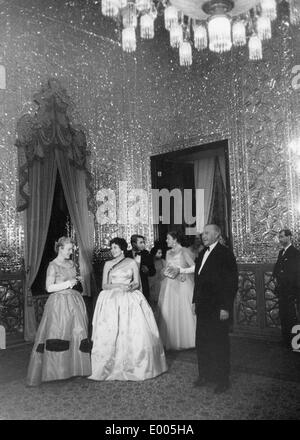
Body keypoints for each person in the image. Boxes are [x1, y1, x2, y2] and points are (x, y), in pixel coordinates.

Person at [88, 237, 167, 381]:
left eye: (115, 248)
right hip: (111, 298)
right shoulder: (108, 264)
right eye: (111, 248)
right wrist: (119, 286)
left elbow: (137, 282)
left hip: (129, 297)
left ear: (122, 249)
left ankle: (135, 364)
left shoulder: (131, 263)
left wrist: (131, 286)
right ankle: (108, 364)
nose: (112, 250)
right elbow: (104, 285)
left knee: (134, 330)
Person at [176, 224, 238, 394]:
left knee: (219, 343)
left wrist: (225, 307)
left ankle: (222, 380)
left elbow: (231, 283)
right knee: (202, 342)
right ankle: (205, 375)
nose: (203, 235)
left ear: (217, 234)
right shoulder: (202, 252)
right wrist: (195, 301)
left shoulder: (225, 254)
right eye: (203, 233)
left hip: (218, 307)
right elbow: (199, 281)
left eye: (208, 232)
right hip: (203, 306)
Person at [27, 237, 91, 386]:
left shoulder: (71, 263)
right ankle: (58, 370)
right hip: (59, 304)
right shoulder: (53, 266)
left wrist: (76, 280)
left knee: (77, 333)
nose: (71, 251)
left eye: (71, 249)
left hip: (74, 302)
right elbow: (49, 288)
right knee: (60, 333)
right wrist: (68, 283)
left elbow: (72, 280)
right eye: (69, 249)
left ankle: (75, 368)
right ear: (60, 249)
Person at [157, 231, 196, 350]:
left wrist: (182, 271)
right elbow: (168, 267)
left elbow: (194, 267)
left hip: (183, 284)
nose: (166, 241)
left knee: (184, 310)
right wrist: (165, 271)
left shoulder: (184, 251)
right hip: (169, 284)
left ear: (175, 240)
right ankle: (171, 339)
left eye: (168, 239)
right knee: (169, 310)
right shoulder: (168, 252)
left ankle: (187, 339)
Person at [272, 229, 300, 348]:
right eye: (280, 237)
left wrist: (292, 290)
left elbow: (295, 273)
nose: (280, 239)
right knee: (284, 315)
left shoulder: (295, 253)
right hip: (282, 290)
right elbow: (277, 268)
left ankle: (296, 343)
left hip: (291, 291)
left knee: (293, 317)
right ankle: (286, 340)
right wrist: (275, 277)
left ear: (289, 237)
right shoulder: (281, 252)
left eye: (283, 237)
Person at [126, 234, 156, 302]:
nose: (143, 244)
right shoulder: (126, 255)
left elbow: (153, 271)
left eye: (144, 242)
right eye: (141, 242)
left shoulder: (147, 254)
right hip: (129, 286)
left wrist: (147, 271)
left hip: (143, 286)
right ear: (133, 244)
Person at [149, 244, 166, 318]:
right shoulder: (150, 262)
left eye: (161, 253)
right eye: (159, 253)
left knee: (159, 302)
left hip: (160, 283)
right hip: (151, 282)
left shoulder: (163, 261)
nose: (160, 254)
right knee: (152, 302)